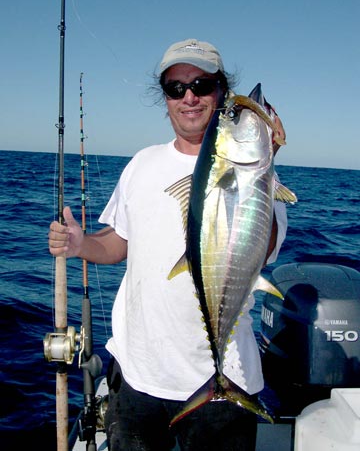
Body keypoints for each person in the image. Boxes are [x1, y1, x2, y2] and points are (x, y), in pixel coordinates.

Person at [48, 39, 288, 451]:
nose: (189, 97)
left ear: (221, 92)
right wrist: (81, 243)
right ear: (165, 99)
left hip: (223, 378)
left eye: (202, 84)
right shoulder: (142, 163)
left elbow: (260, 250)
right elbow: (119, 243)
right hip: (137, 377)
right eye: (176, 88)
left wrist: (265, 164)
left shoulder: (262, 181)